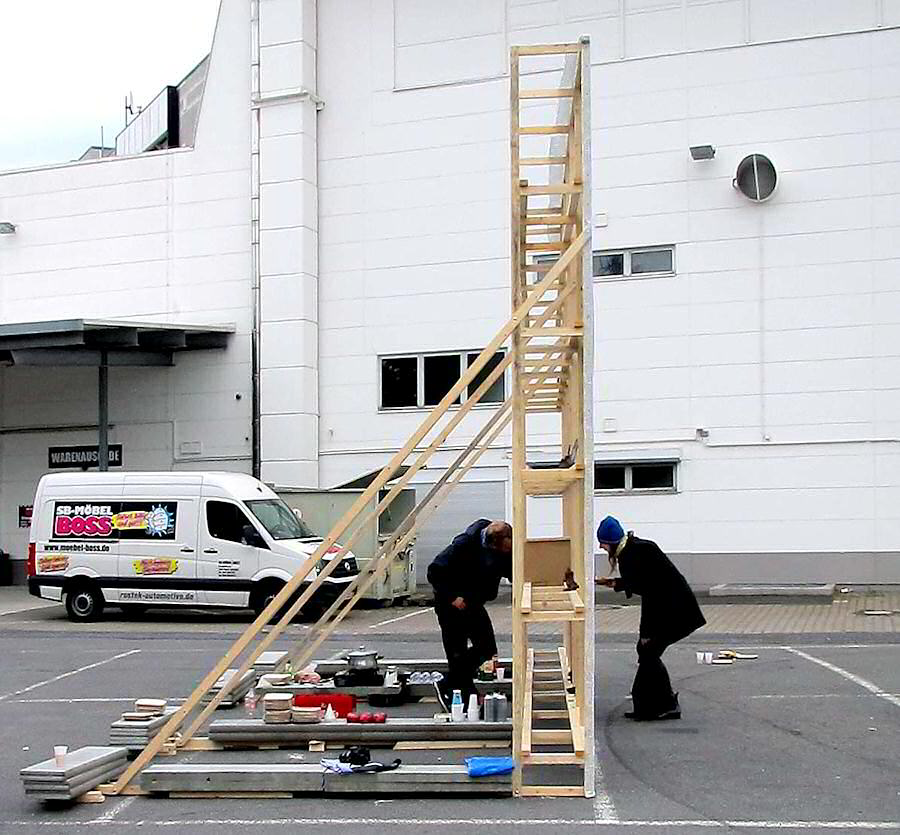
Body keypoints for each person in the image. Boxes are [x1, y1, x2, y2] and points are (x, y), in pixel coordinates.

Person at [595, 516, 705, 721]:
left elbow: (650, 593)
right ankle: (653, 705)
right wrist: (611, 583)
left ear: (611, 541)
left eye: (602, 542)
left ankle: (662, 705)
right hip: (673, 608)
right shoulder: (634, 550)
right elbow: (639, 582)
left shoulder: (633, 554)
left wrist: (646, 632)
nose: (600, 546)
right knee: (647, 652)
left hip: (677, 611)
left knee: (649, 650)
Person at [427, 519, 513, 709]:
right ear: (491, 544)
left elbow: (511, 570)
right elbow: (434, 571)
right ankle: (462, 699)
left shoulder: (504, 546)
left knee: (488, 650)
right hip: (450, 605)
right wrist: (452, 597)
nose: (505, 555)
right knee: (457, 652)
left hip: (473, 603)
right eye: (502, 551)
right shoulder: (464, 545)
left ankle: (448, 684)